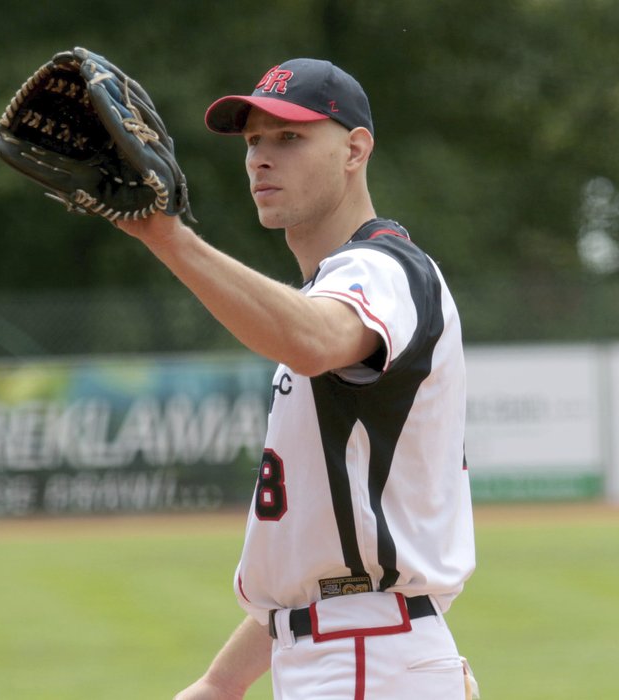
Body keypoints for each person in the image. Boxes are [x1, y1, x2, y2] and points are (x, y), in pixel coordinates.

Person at [115, 58, 477, 699]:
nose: (260, 158)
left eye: (290, 136)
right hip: (356, 653)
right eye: (253, 140)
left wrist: (167, 238)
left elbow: (312, 340)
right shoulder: (335, 286)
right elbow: (319, 573)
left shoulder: (384, 269)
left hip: (368, 658)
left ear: (355, 149)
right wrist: (221, 684)